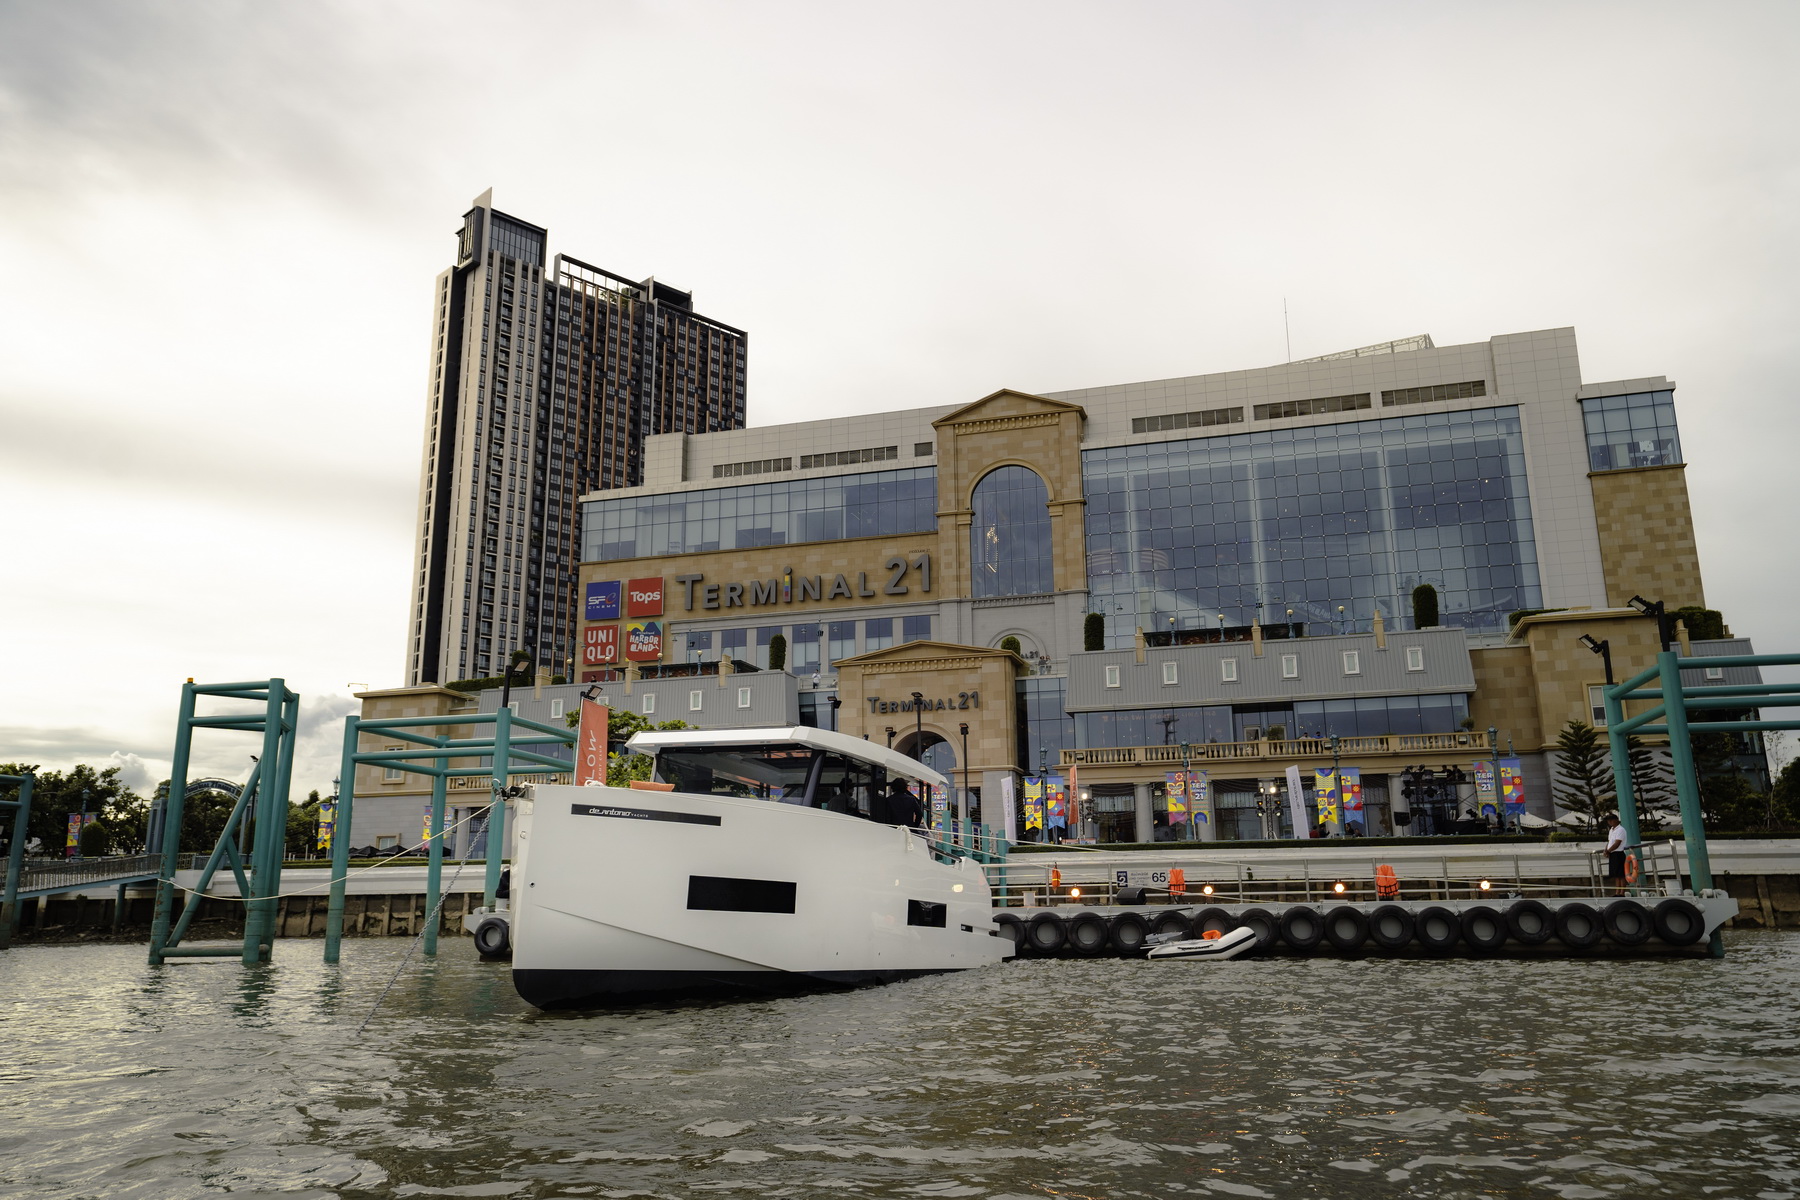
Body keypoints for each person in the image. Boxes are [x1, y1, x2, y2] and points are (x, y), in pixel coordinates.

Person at [1596, 813, 1628, 895]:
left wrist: (1608, 851)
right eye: (1608, 821)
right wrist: (1606, 850)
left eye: (1611, 820)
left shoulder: (1620, 829)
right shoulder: (1611, 830)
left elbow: (1617, 843)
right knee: (1616, 875)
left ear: (1616, 820)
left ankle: (1622, 892)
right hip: (1613, 854)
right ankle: (1617, 892)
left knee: (1621, 874)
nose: (1609, 822)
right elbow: (1610, 842)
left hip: (1618, 853)